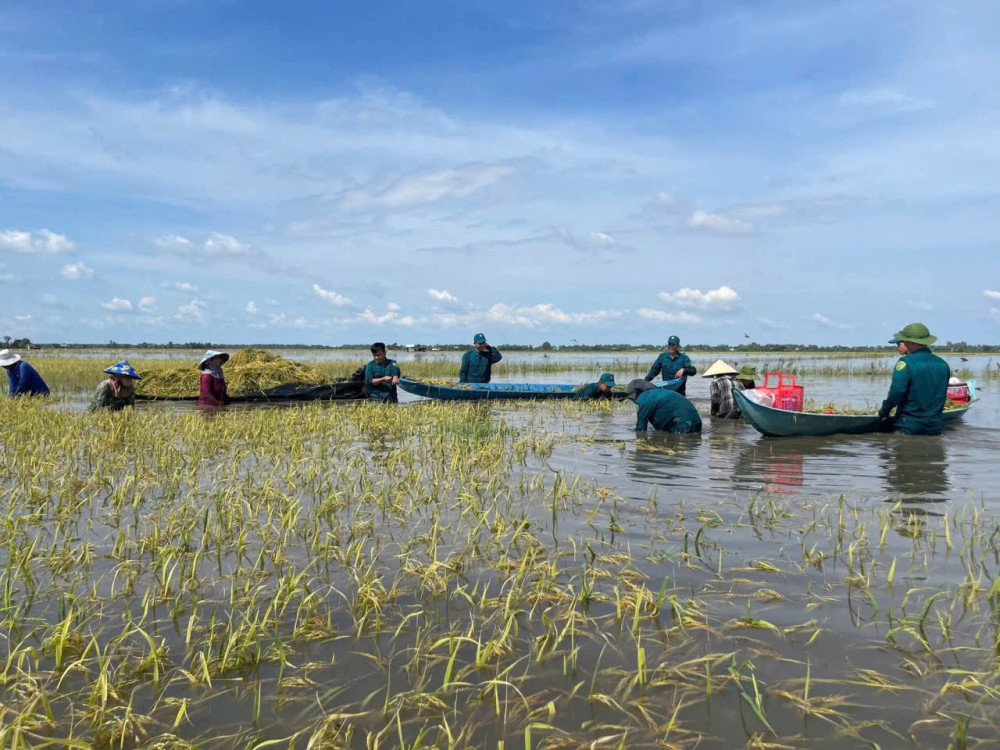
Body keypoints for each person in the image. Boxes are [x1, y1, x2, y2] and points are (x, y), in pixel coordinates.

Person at [877, 323, 950, 435]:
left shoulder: (905, 362)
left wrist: (883, 412)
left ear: (912, 343)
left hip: (908, 425)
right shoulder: (943, 364)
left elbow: (897, 391)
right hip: (935, 427)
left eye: (905, 341)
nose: (904, 343)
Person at [627, 378, 702, 434]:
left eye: (631, 398)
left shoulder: (644, 399)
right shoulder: (660, 392)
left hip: (682, 426)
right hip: (696, 422)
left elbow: (640, 429)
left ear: (635, 394)